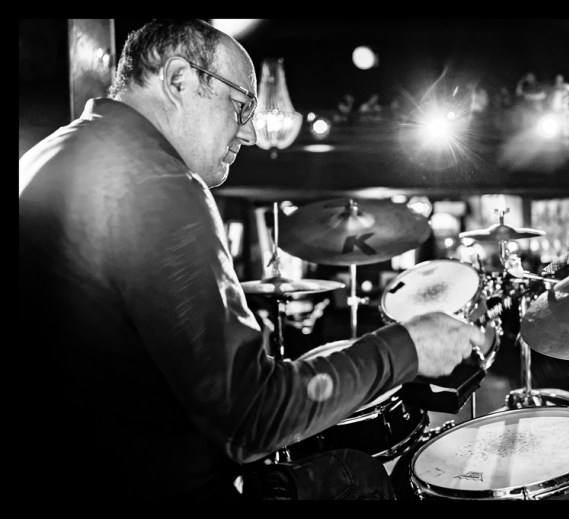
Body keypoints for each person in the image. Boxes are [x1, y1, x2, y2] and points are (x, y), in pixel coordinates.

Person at [19, 19, 485, 502]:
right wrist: (405, 347)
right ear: (178, 80)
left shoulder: (47, 157)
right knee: (356, 475)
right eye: (241, 105)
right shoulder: (160, 184)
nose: (251, 134)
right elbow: (251, 421)